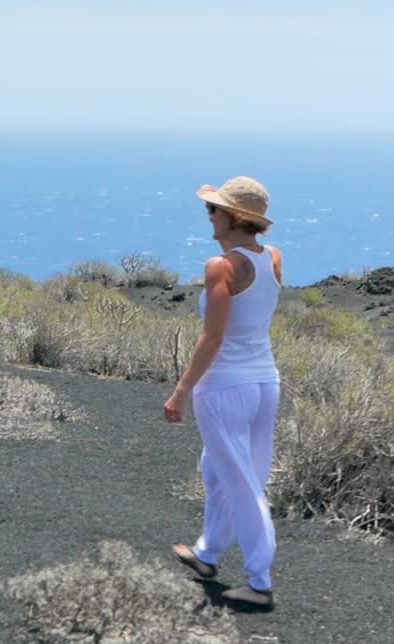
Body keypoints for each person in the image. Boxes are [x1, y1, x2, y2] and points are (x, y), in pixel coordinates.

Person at [163, 176, 282, 610]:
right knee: (216, 467)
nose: (209, 217)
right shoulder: (272, 258)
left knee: (240, 481)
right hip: (265, 382)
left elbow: (211, 338)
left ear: (232, 216)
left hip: (223, 386)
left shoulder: (221, 267)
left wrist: (180, 390)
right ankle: (208, 553)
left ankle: (259, 581)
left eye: (213, 210)